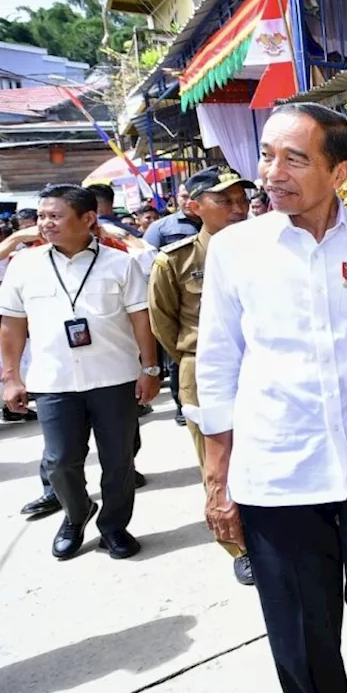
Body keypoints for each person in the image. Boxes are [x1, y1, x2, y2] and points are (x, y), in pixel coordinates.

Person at [198, 103, 347, 693]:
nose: (273, 172)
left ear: (340, 172)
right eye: (267, 155)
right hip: (279, 473)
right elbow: (218, 361)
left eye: (295, 157)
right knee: (302, 633)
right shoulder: (235, 250)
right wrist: (219, 478)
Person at [0, 184, 160, 559]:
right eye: (42, 216)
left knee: (118, 461)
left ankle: (114, 527)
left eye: (54, 216)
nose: (44, 224)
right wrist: (10, 377)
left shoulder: (120, 264)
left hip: (114, 378)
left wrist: (149, 368)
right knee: (59, 460)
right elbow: (11, 324)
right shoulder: (25, 265)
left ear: (88, 219)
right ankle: (76, 514)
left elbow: (141, 319)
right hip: (53, 381)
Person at [149, 166, 256, 585]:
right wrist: (197, 361)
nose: (238, 208)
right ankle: (240, 547)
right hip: (203, 370)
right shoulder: (176, 261)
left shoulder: (265, 247)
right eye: (224, 200)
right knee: (217, 460)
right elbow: (165, 326)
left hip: (261, 364)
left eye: (242, 199)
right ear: (195, 207)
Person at [145, 184, 201, 249]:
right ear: (177, 198)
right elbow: (147, 257)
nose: (189, 202)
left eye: (194, 197)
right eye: (184, 197)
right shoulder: (159, 227)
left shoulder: (213, 221)